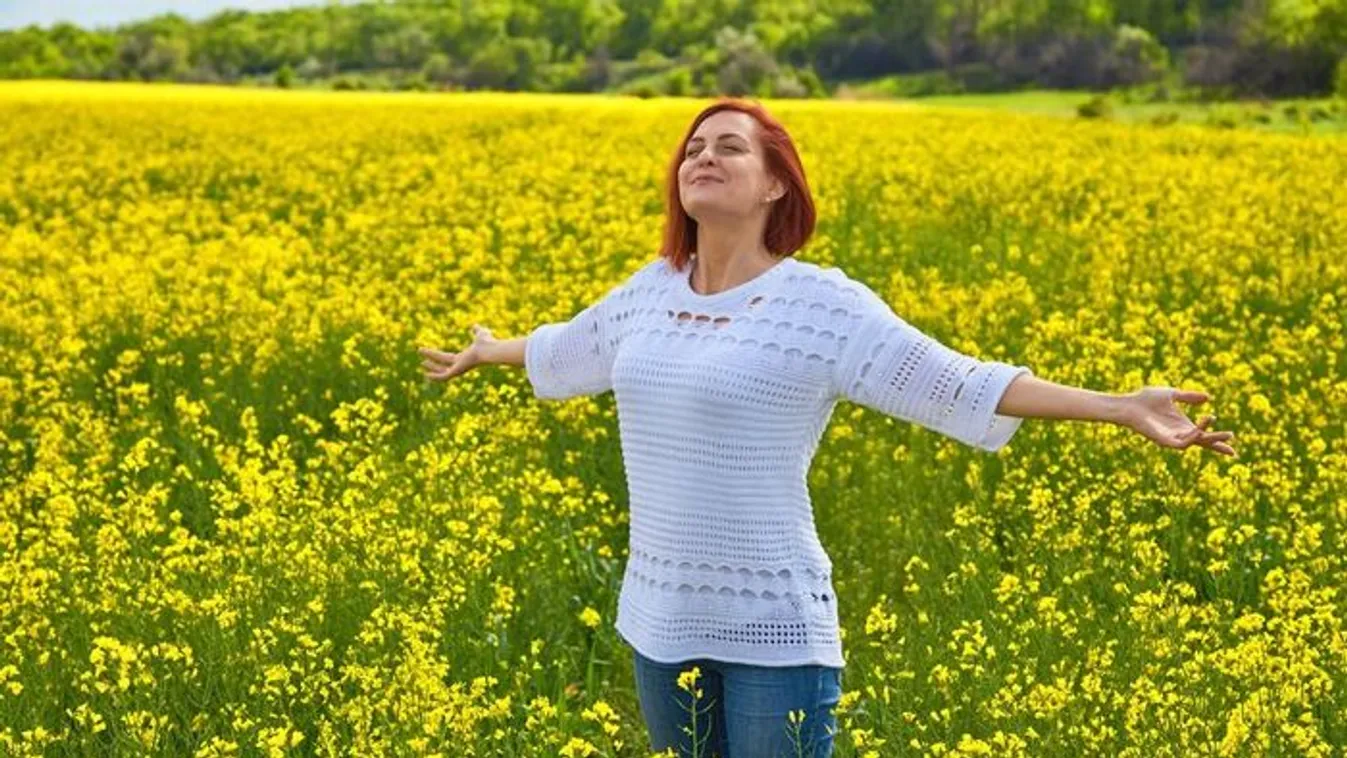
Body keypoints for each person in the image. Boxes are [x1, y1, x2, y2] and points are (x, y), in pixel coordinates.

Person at [418, 98, 1237, 758]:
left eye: (729, 147)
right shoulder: (649, 290)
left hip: (772, 628)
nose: (702, 156)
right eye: (693, 148)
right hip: (658, 617)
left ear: (776, 185)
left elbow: (958, 381)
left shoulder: (820, 306)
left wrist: (1117, 405)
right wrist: (491, 351)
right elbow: (570, 347)